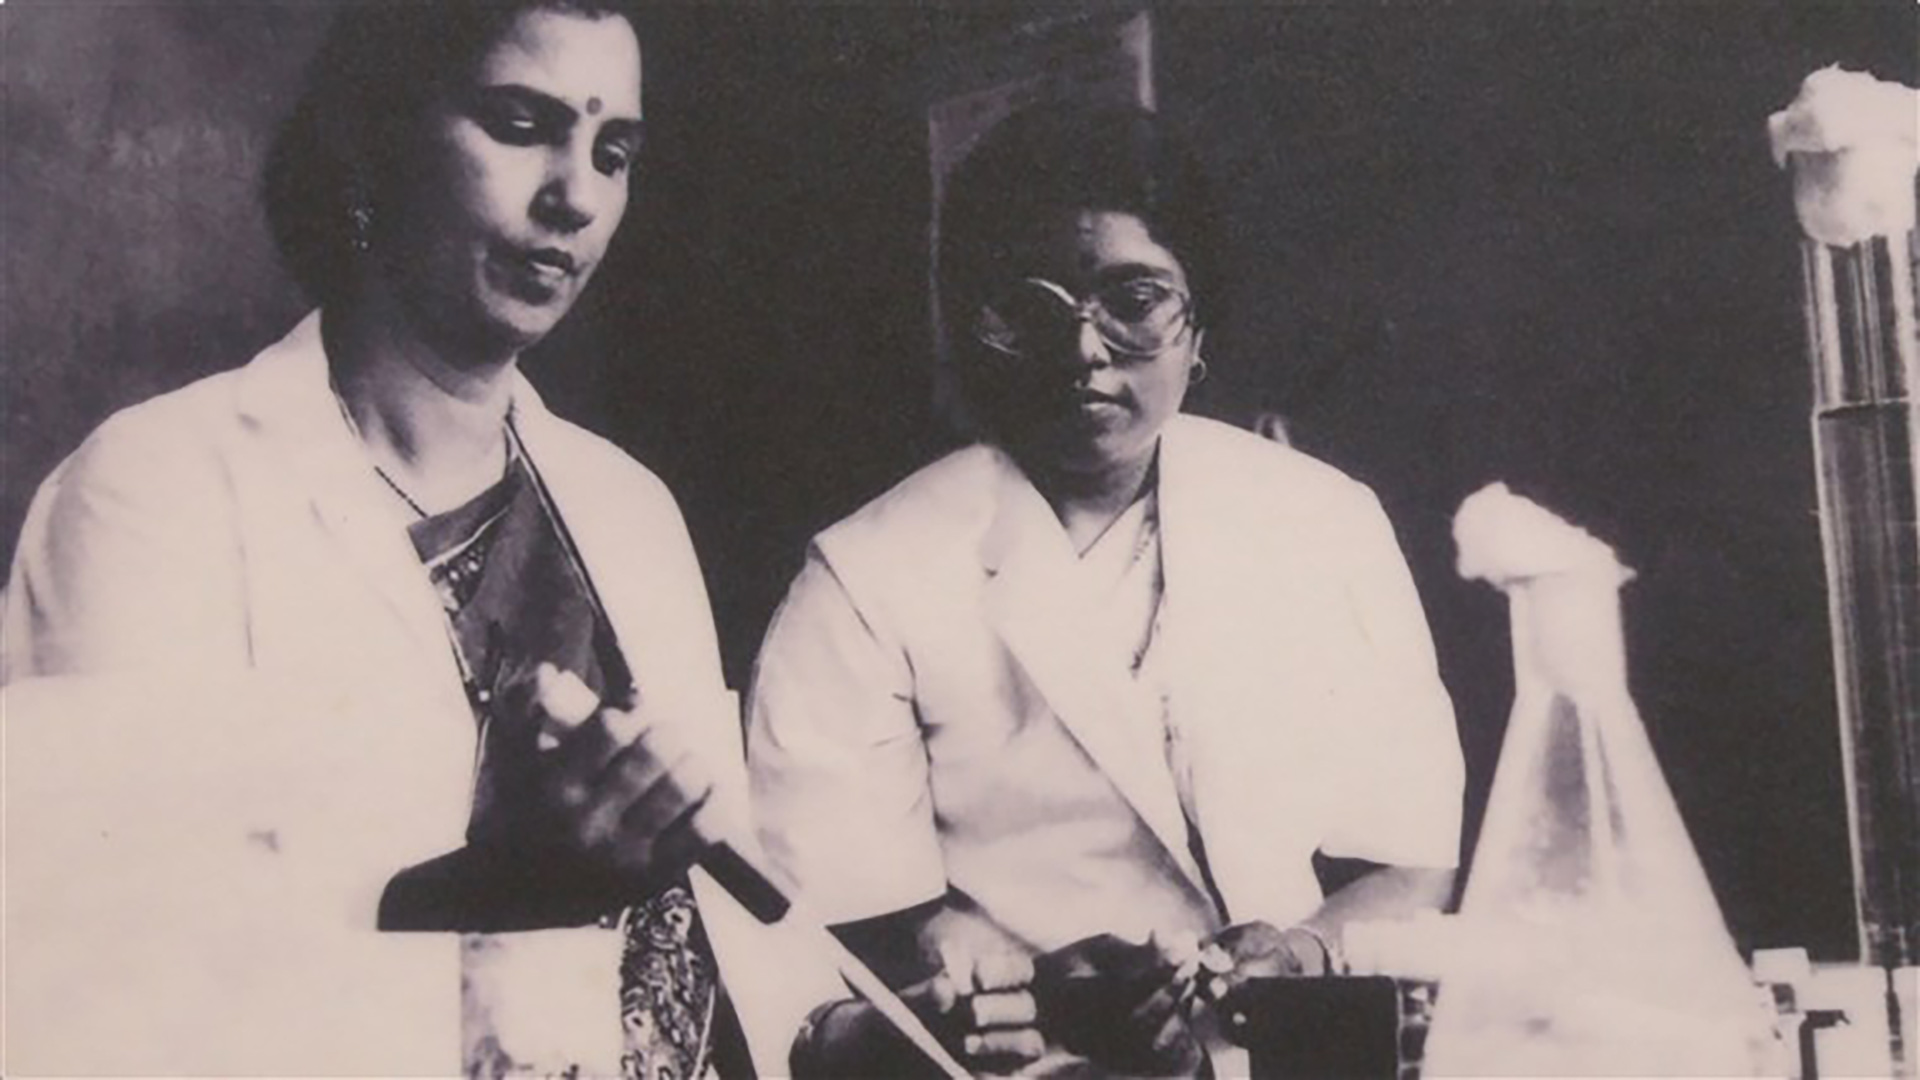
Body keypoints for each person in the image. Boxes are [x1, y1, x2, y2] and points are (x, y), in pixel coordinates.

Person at [2, 3, 826, 1076]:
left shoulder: (628, 508)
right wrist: (490, 893)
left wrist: (840, 1033)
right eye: (519, 123)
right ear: (372, 136)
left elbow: (723, 929)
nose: (574, 193)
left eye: (611, 151)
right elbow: (82, 989)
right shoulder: (156, 493)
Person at [748, 102, 1466, 1076]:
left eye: (1135, 301)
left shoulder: (1323, 520)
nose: (1084, 350)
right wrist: (1044, 998)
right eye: (1033, 310)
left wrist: (1301, 953)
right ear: (976, 331)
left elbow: (1409, 857)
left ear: (1197, 326)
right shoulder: (867, 576)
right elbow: (842, 927)